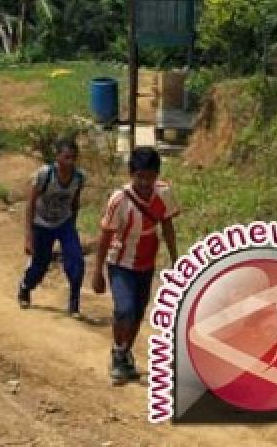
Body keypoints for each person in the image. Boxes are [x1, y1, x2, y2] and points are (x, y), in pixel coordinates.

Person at [92, 146, 180, 383]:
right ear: (131, 174)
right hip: (120, 262)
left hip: (146, 262)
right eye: (140, 176)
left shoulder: (164, 194)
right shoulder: (119, 200)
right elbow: (105, 238)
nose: (145, 182)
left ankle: (124, 351)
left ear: (157, 175)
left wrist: (175, 260)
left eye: (150, 177)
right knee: (125, 308)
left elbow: (168, 227)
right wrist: (97, 272)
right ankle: (118, 353)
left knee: (139, 310)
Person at [18, 137, 86, 317]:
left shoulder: (78, 178)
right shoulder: (45, 175)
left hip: (64, 222)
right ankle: (26, 286)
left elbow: (75, 202)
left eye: (73, 158)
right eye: (66, 157)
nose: (69, 162)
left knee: (76, 260)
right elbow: (31, 204)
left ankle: (74, 303)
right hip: (41, 223)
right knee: (41, 264)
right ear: (57, 158)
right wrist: (28, 235)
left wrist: (72, 227)